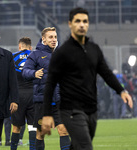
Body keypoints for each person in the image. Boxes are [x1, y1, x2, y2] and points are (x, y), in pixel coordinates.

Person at [41, 7, 133, 150]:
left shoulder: (94, 49)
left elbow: (106, 73)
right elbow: (50, 84)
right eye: (77, 21)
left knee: (77, 146)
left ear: (88, 24)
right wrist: (46, 114)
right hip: (70, 110)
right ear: (70, 24)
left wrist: (121, 91)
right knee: (86, 147)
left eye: (85, 21)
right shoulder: (62, 53)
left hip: (91, 109)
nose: (82, 24)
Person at [22, 28, 71, 150]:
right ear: (43, 39)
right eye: (50, 37)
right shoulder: (35, 54)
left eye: (55, 37)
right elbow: (25, 72)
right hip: (42, 101)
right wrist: (34, 73)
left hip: (59, 100)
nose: (54, 40)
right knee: (41, 133)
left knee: (63, 130)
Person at [11, 37, 37, 150]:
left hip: (18, 95)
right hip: (33, 95)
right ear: (30, 47)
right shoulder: (36, 56)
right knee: (32, 127)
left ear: (19, 46)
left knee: (16, 127)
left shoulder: (12, 57)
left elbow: (9, 78)